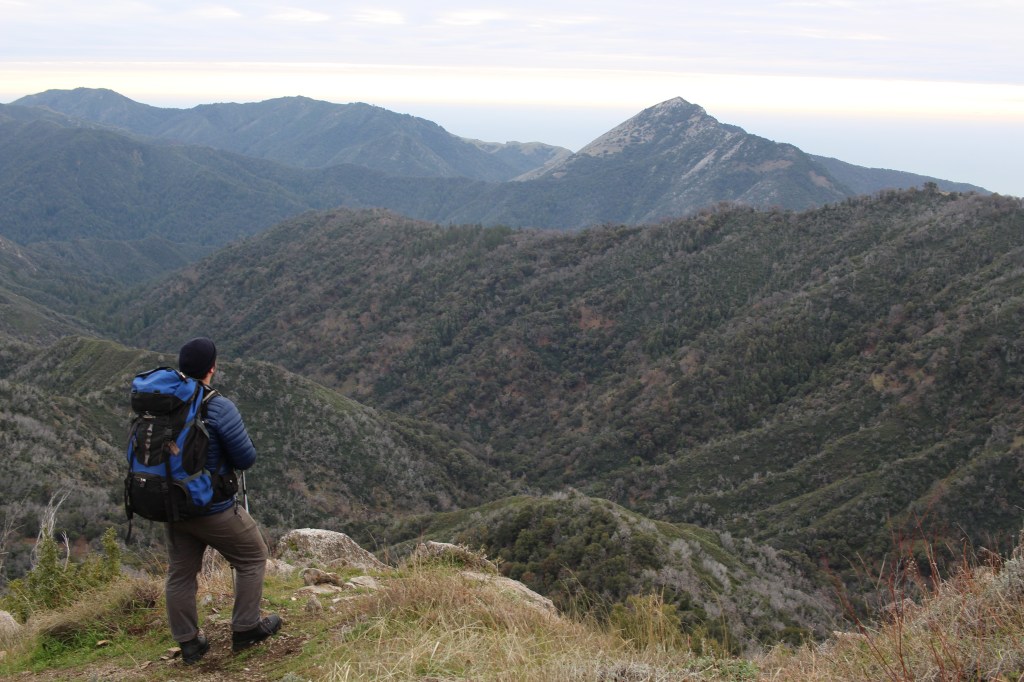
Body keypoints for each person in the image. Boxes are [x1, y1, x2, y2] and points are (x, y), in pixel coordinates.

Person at [168, 337, 281, 665]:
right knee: (252, 556)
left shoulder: (163, 403)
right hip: (212, 507)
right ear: (211, 369)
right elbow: (245, 458)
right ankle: (246, 629)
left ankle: (189, 644)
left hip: (172, 506)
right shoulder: (216, 405)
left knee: (180, 573)